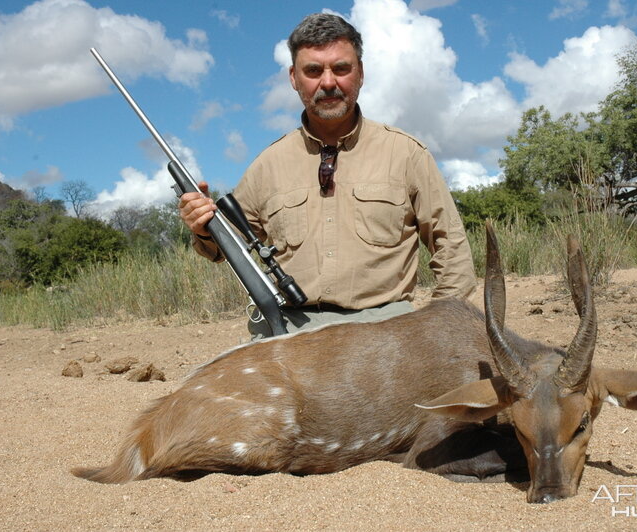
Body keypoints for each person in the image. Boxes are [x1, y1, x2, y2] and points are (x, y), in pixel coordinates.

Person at [179, 13, 476, 338]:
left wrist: (437, 330)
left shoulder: (406, 153)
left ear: (360, 73)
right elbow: (223, 249)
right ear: (294, 77)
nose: (329, 82)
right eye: (314, 71)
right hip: (290, 333)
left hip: (388, 333)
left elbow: (452, 249)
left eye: (341, 68)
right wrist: (203, 228)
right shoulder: (267, 165)